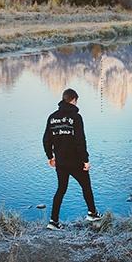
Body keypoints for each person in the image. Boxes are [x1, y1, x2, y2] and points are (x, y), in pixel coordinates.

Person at [43, 88, 103, 230]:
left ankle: (53, 221)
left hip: (61, 162)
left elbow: (46, 140)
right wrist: (86, 160)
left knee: (61, 189)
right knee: (86, 186)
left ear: (64, 99)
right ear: (74, 100)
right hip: (75, 161)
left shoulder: (52, 117)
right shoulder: (76, 118)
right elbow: (80, 141)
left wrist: (50, 157)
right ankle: (92, 213)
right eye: (76, 101)